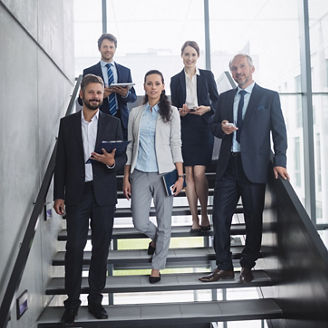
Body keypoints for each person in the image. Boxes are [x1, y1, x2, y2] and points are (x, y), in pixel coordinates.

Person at [199, 54, 289, 284]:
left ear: (252, 69)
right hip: (228, 166)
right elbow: (213, 127)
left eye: (241, 67)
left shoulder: (269, 97)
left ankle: (247, 264)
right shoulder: (226, 97)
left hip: (255, 167)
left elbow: (279, 132)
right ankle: (224, 266)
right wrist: (221, 127)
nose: (237, 71)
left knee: (253, 219)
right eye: (233, 68)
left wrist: (280, 160)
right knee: (219, 217)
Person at [54, 74, 127, 324]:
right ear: (82, 94)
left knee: (101, 250)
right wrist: (58, 195)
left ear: (102, 95)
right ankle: (72, 303)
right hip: (76, 195)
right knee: (74, 249)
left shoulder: (113, 122)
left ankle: (95, 300)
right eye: (91, 92)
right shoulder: (67, 124)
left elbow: (122, 158)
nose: (95, 96)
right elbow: (60, 162)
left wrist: (111, 162)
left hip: (104, 195)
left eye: (99, 93)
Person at [123, 70, 184, 283]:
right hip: (139, 172)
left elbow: (176, 144)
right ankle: (157, 239)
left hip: (165, 174)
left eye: (157, 83)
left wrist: (180, 175)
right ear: (144, 86)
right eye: (149, 83)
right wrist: (126, 176)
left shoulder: (172, 112)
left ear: (163, 86)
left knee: (165, 222)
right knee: (139, 222)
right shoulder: (135, 113)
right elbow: (131, 145)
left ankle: (157, 266)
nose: (153, 87)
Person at [170, 41, 219, 233]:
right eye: (186, 54)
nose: (190, 58)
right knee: (188, 174)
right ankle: (194, 218)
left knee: (199, 173)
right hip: (185, 127)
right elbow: (174, 106)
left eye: (193, 55)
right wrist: (180, 112)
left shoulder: (207, 76)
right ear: (181, 55)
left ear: (198, 56)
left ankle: (205, 214)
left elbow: (217, 100)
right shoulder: (175, 79)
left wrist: (207, 109)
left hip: (203, 126)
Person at [80, 33, 137, 139]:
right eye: (105, 47)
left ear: (115, 49)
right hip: (98, 119)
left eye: (111, 47)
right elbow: (81, 99)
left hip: (121, 120)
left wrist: (125, 94)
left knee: (121, 153)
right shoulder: (89, 71)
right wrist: (100, 95)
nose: (108, 50)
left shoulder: (125, 71)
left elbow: (133, 97)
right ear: (99, 48)